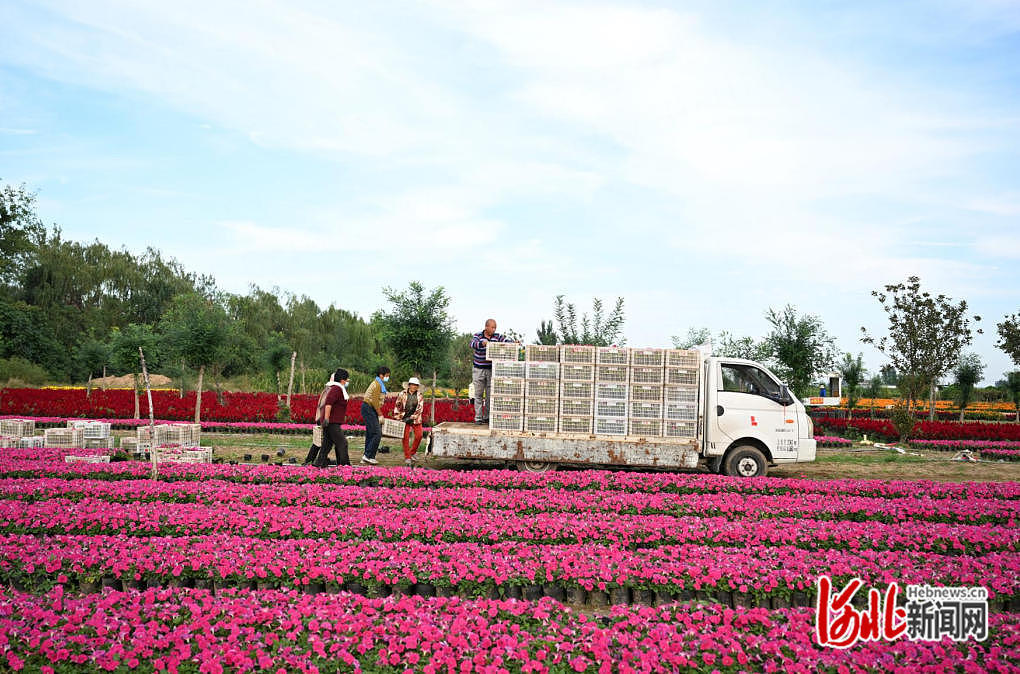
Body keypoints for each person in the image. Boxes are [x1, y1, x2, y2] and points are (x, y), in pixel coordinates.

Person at [469, 319, 516, 424]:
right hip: (478, 369)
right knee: (478, 394)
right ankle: (478, 418)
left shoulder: (497, 337)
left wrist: (513, 343)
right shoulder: (478, 336)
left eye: (495, 328)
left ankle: (487, 417)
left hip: (491, 369)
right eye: (492, 327)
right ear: (486, 327)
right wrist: (482, 343)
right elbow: (472, 344)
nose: (494, 330)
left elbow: (506, 341)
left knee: (490, 395)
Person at [314, 368, 351, 468]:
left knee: (327, 444)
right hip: (331, 422)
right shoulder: (337, 389)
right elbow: (328, 403)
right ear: (342, 380)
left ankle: (319, 463)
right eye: (347, 379)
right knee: (342, 443)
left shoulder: (337, 388)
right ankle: (345, 465)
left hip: (332, 421)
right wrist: (326, 418)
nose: (348, 381)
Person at [303, 371, 339, 465]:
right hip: (324, 419)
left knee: (324, 441)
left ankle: (318, 459)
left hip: (323, 418)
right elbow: (324, 405)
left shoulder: (329, 389)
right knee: (322, 441)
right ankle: (311, 460)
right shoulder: (330, 390)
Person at [360, 365, 389, 465]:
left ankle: (368, 456)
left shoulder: (378, 383)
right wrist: (380, 414)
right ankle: (368, 455)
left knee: (371, 433)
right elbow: (374, 401)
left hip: (369, 408)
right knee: (377, 433)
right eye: (386, 376)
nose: (387, 378)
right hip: (369, 408)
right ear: (381, 375)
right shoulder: (377, 384)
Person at [393, 377, 425, 466]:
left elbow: (420, 408)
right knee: (405, 437)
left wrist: (413, 417)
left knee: (419, 435)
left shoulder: (419, 395)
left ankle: (412, 452)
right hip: (404, 417)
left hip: (415, 418)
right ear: (409, 385)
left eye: (416, 385)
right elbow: (398, 405)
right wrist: (398, 416)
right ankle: (407, 457)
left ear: (418, 386)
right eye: (412, 385)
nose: (414, 386)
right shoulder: (402, 394)